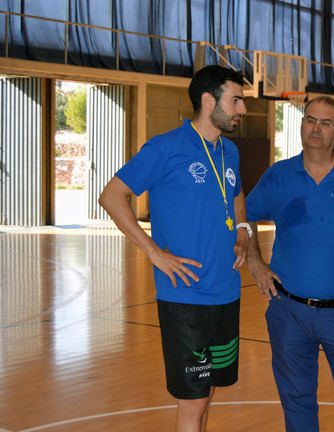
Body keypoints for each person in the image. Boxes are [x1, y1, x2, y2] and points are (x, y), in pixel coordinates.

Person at [98, 65, 251, 432]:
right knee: (193, 402)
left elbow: (237, 192)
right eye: (237, 101)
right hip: (186, 297)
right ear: (208, 100)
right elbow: (112, 196)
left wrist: (243, 230)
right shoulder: (165, 148)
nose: (242, 110)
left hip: (226, 293)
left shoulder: (229, 151)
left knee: (206, 394)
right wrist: (154, 252)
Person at [245, 96, 334, 431]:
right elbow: (244, 217)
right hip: (287, 311)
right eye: (310, 119)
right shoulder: (279, 175)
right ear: (301, 124)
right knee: (296, 402)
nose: (316, 128)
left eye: (326, 123)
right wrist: (255, 260)